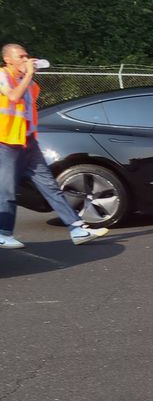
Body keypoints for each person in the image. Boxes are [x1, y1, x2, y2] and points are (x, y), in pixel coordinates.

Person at [1, 41, 109, 249]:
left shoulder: (26, 81)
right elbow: (13, 97)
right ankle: (3, 233)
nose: (26, 59)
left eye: (27, 56)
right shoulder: (2, 76)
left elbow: (29, 97)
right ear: (8, 59)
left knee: (50, 186)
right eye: (21, 57)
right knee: (6, 190)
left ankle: (77, 229)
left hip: (27, 142)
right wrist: (29, 75)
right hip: (6, 142)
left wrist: (27, 74)